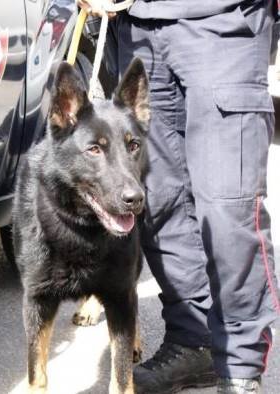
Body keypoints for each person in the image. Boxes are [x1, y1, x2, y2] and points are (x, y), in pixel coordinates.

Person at [77, 0, 280, 393]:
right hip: (135, 30)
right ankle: (193, 339)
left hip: (222, 22)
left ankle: (239, 365)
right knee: (154, 199)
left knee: (228, 205)